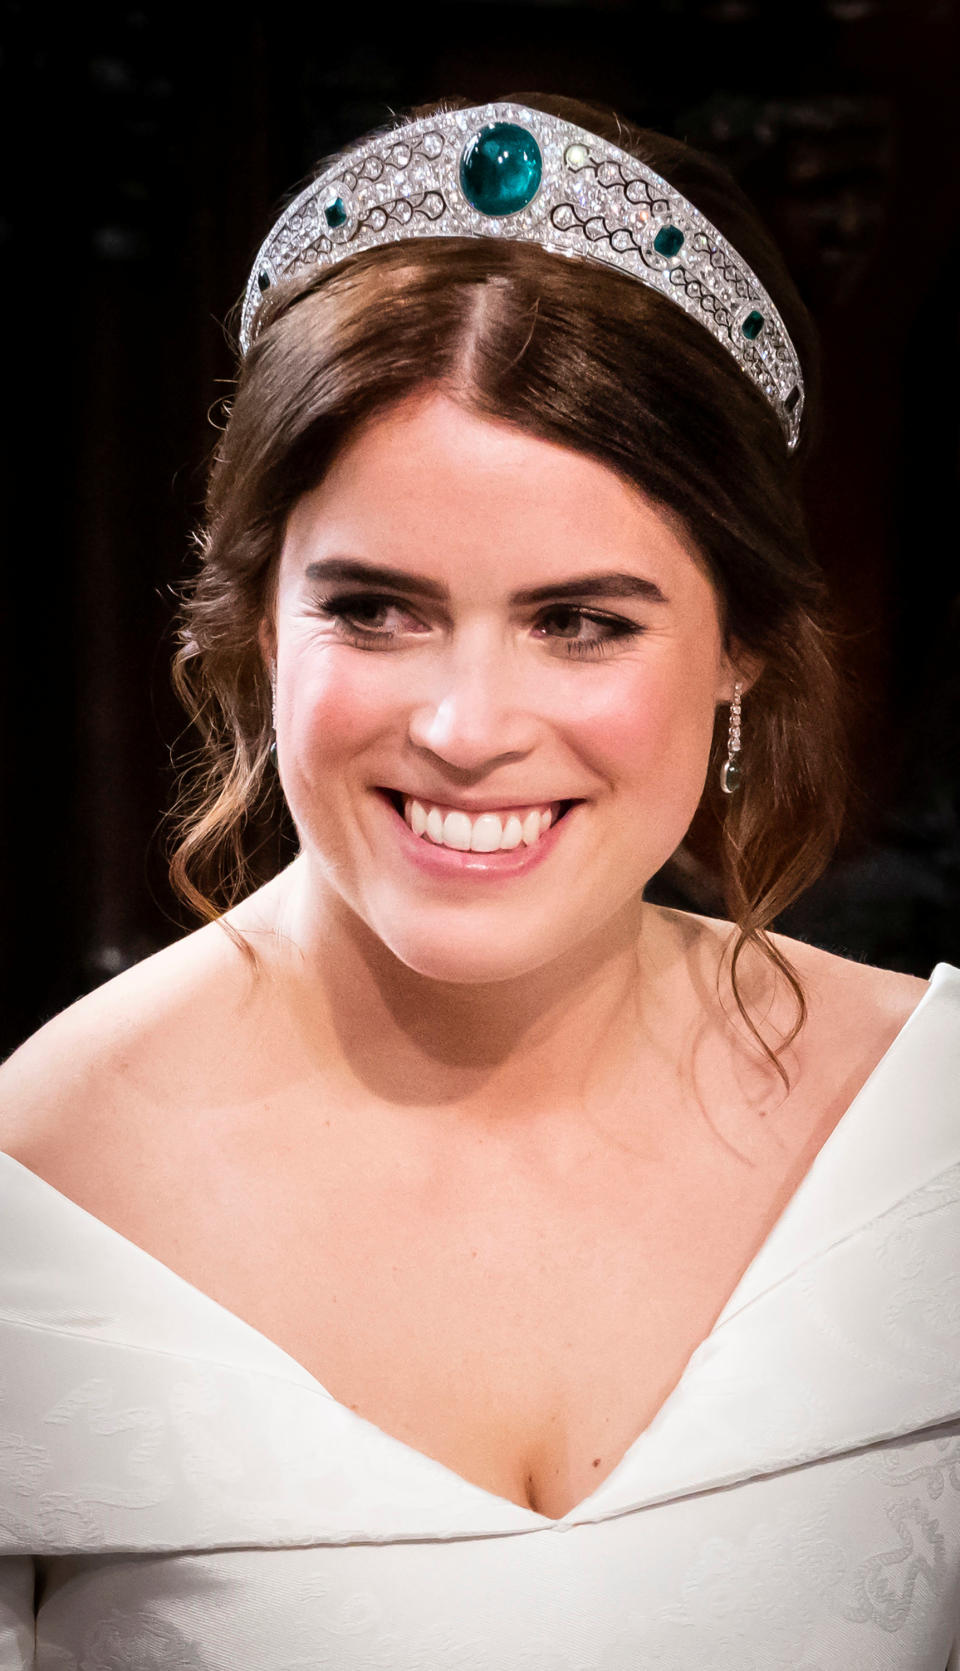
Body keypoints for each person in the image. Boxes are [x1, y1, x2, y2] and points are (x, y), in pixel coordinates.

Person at [0, 91, 957, 1670]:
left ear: (742, 653)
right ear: (258, 626)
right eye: (376, 610)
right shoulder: (43, 1188)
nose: (463, 729)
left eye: (582, 621)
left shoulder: (932, 1132)